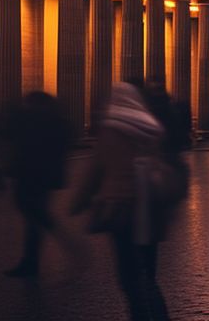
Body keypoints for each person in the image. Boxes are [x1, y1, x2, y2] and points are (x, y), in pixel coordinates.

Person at [71, 83, 179, 321]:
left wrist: (77, 202)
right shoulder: (152, 128)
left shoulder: (111, 131)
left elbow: (95, 171)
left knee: (129, 276)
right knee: (149, 275)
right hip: (152, 208)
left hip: (123, 210)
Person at [4, 91, 71, 277]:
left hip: (33, 175)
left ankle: (65, 241)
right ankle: (30, 262)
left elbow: (12, 133)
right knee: (33, 218)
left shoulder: (37, 119)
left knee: (33, 214)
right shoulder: (55, 119)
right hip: (42, 176)